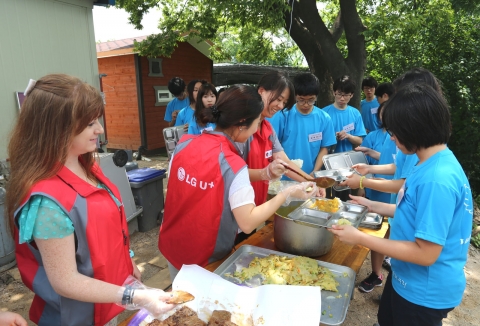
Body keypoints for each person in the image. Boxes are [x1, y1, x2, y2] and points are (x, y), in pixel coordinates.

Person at [6, 74, 177, 326]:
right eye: (88, 124)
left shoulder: (86, 165)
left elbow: (108, 227)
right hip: (80, 316)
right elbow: (66, 281)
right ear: (56, 128)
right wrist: (134, 296)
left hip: (110, 299)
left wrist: (127, 261)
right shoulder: (46, 204)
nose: (100, 129)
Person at [330, 83, 472, 326]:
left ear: (413, 128)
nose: (391, 138)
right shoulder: (425, 162)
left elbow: (426, 253)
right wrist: (372, 206)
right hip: (406, 279)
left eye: (394, 132)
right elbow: (412, 213)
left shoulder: (437, 179)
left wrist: (360, 238)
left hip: (424, 292)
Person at [158, 85, 317, 281]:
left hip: (172, 246)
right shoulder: (233, 164)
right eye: (257, 122)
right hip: (206, 259)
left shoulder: (184, 144)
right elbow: (248, 222)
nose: (256, 129)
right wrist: (287, 193)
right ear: (242, 123)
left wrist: (266, 173)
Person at [268, 72, 336, 176]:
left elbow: (324, 148)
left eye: (311, 100)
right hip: (285, 176)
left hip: (310, 176)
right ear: (295, 96)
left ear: (316, 97)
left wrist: (315, 171)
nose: (306, 104)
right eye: (301, 100)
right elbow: (272, 146)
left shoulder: (324, 118)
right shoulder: (283, 115)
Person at [322, 75, 366, 153]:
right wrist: (332, 136)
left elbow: (360, 140)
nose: (342, 98)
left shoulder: (355, 113)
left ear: (351, 95)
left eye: (346, 95)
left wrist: (347, 136)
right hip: (327, 159)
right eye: (339, 94)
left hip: (348, 159)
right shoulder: (323, 113)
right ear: (334, 93)